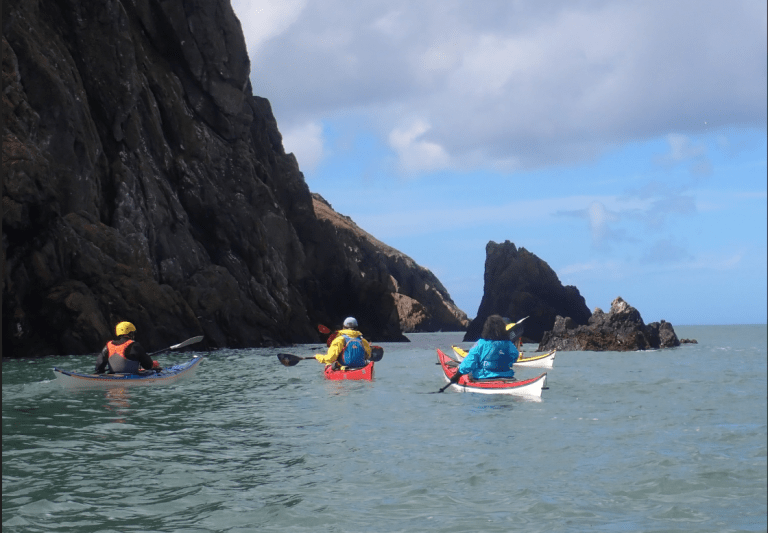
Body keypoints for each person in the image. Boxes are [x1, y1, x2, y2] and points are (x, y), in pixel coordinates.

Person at [456, 314, 520, 381]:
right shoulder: (508, 343)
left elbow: (470, 361)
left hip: (483, 377)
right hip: (506, 376)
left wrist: (457, 375)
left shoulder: (481, 343)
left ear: (487, 328)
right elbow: (515, 356)